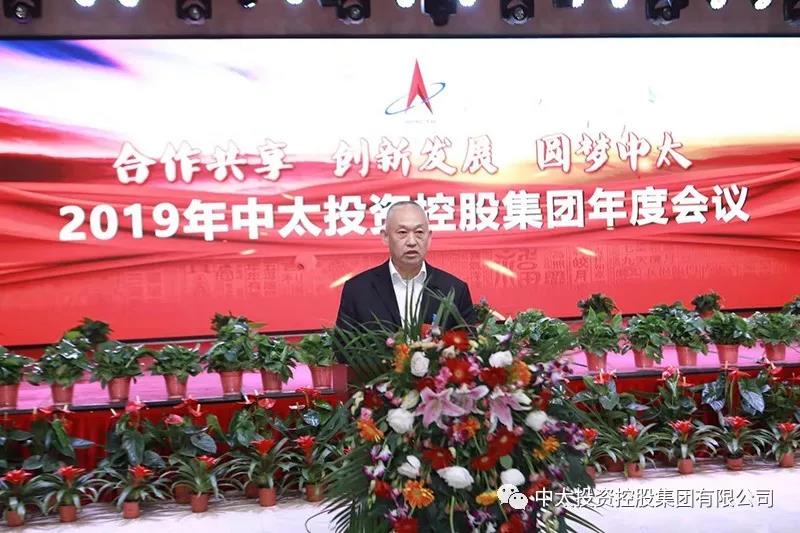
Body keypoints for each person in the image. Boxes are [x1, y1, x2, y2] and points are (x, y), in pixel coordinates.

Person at [335, 201, 477, 334]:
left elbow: (468, 345)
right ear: (385, 237)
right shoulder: (357, 290)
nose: (411, 241)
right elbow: (344, 347)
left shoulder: (454, 290)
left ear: (429, 237)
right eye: (402, 233)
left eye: (419, 232)